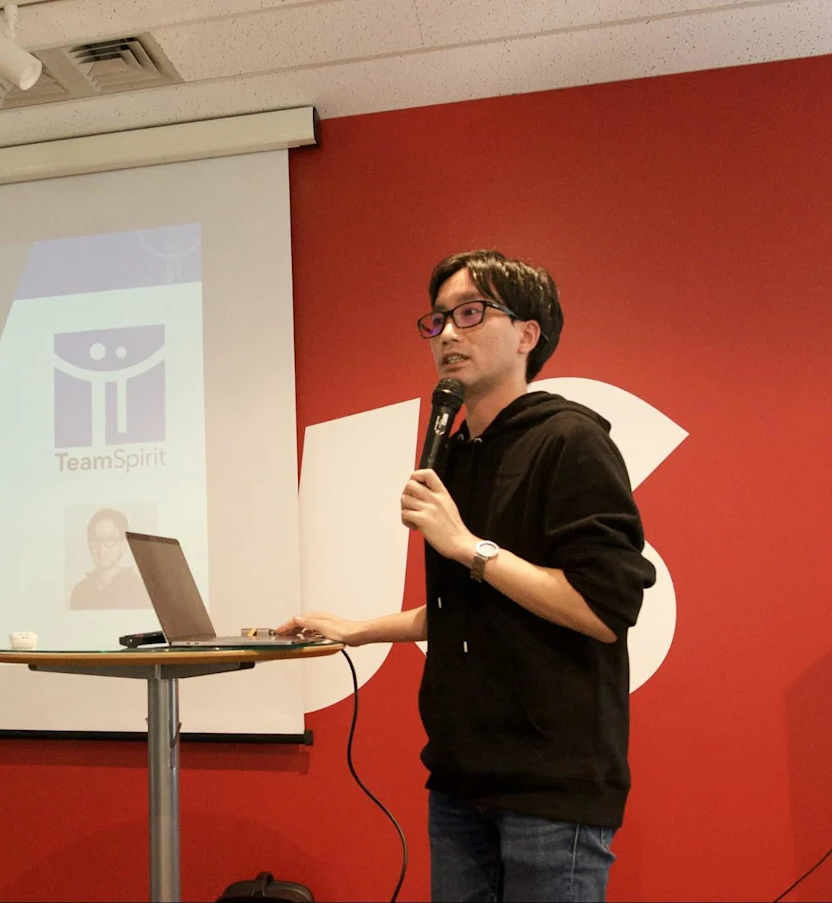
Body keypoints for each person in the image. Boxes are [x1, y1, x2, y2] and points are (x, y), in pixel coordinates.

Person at [278, 250, 656, 903]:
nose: (448, 333)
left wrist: (468, 546)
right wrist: (357, 629)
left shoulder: (570, 442)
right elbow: (470, 606)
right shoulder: (453, 453)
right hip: (458, 777)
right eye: (439, 320)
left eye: (472, 313)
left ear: (527, 334)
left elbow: (603, 610)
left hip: (550, 785)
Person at [69, 507, 150, 610]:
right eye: (95, 540)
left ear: (123, 545)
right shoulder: (79, 591)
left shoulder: (136, 588)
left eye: (110, 540)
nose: (101, 548)